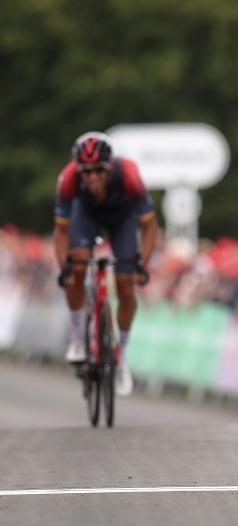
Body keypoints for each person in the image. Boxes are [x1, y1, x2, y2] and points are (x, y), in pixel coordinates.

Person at [54, 131, 158, 396]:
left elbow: (149, 227)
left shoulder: (129, 175)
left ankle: (121, 358)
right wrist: (64, 266)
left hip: (122, 219)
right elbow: (61, 232)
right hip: (85, 215)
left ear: (110, 166)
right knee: (76, 268)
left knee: (125, 284)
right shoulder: (68, 179)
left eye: (99, 171)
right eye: (86, 172)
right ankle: (78, 338)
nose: (92, 178)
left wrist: (140, 265)